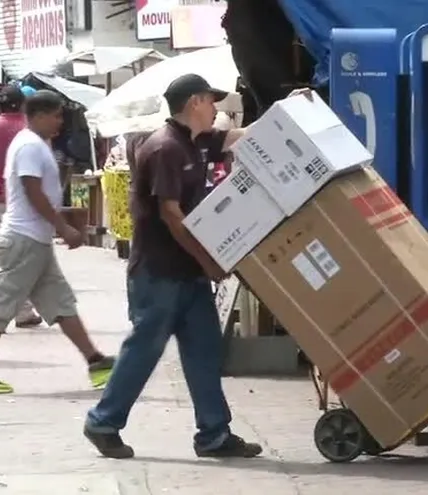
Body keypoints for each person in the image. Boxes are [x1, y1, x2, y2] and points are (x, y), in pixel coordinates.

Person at [84, 74, 280, 459]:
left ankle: (214, 434)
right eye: (211, 102)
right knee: (144, 349)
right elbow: (172, 216)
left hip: (187, 272)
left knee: (204, 350)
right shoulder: (165, 149)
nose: (216, 110)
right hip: (158, 272)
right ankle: (102, 422)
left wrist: (288, 108)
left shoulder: (196, 141)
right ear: (194, 102)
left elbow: (242, 135)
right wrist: (210, 262)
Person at [0, 90, 115, 394]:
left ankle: (96, 361)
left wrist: (61, 221)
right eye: (57, 115)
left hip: (35, 240)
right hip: (24, 239)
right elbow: (32, 191)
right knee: (2, 305)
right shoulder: (30, 144)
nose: (60, 122)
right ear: (40, 115)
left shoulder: (35, 143)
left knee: (61, 303)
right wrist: (63, 227)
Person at [0, 86, 43, 327]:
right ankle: (23, 311)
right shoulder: (31, 130)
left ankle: (0, 309)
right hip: (25, 203)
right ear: (23, 104)